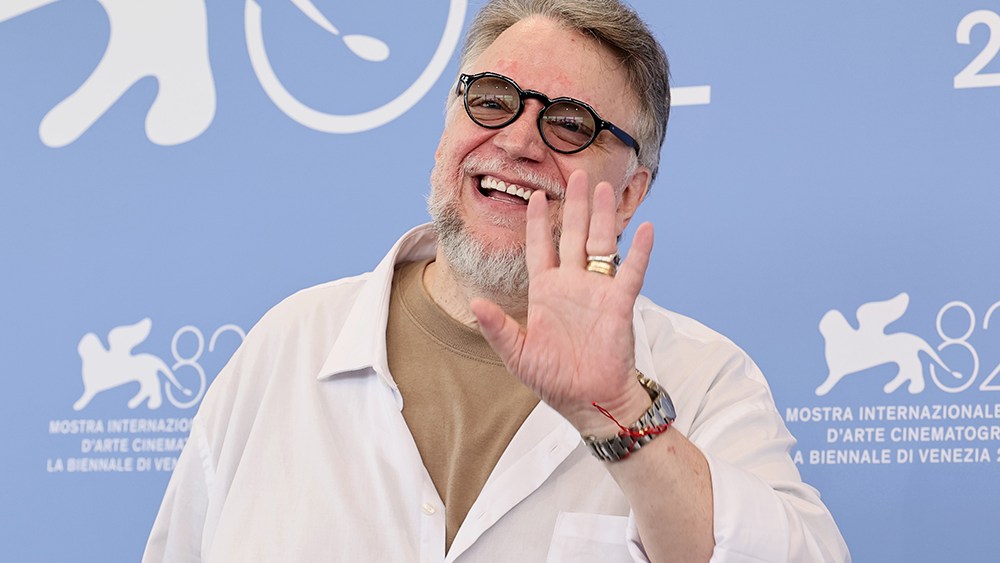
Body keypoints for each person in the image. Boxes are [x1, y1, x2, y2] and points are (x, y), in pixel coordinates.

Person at [143, 0, 850, 561]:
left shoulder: (704, 378)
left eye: (570, 123)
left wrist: (620, 413)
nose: (517, 140)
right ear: (447, 126)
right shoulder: (285, 346)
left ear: (630, 194)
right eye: (491, 99)